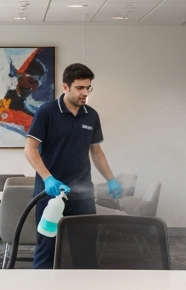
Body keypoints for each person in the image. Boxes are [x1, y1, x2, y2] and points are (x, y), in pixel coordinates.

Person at [24, 62, 123, 270]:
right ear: (65, 87)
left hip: (82, 197)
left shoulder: (91, 115)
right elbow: (30, 149)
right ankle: (41, 289)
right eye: (79, 88)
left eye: (88, 88)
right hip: (50, 195)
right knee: (46, 251)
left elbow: (96, 152)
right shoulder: (47, 112)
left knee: (86, 253)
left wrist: (111, 179)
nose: (85, 93)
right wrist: (47, 178)